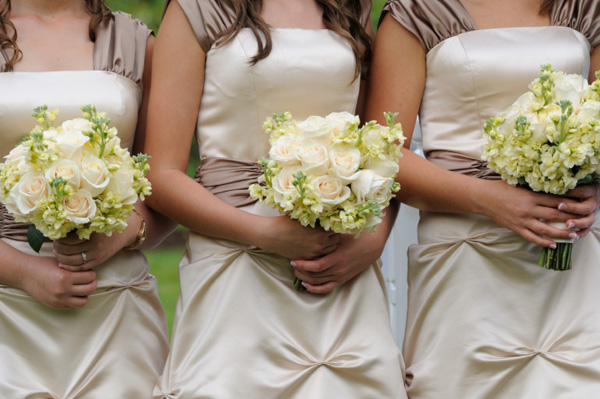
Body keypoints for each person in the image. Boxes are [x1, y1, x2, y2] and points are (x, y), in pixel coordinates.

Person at [145, 0, 407, 397]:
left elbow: (379, 147)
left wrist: (375, 237)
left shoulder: (349, 7)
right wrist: (264, 232)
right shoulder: (196, 8)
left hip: (337, 263)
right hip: (237, 265)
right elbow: (161, 176)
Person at [366, 0, 600, 397]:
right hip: (467, 262)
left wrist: (589, 177)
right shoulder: (416, 11)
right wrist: (488, 198)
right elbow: (381, 154)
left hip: (570, 258)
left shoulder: (581, 6)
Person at [0, 0, 173, 396]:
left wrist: (124, 231)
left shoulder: (135, 42)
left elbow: (163, 186)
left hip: (117, 316)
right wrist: (24, 273)